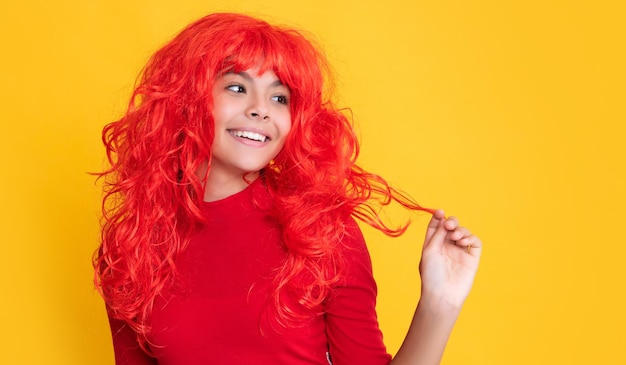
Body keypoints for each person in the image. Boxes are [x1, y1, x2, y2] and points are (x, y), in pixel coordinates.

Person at [94, 12, 482, 365]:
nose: (261, 109)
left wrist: (440, 303)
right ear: (186, 98)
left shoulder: (323, 233)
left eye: (280, 97)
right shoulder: (132, 245)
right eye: (236, 87)